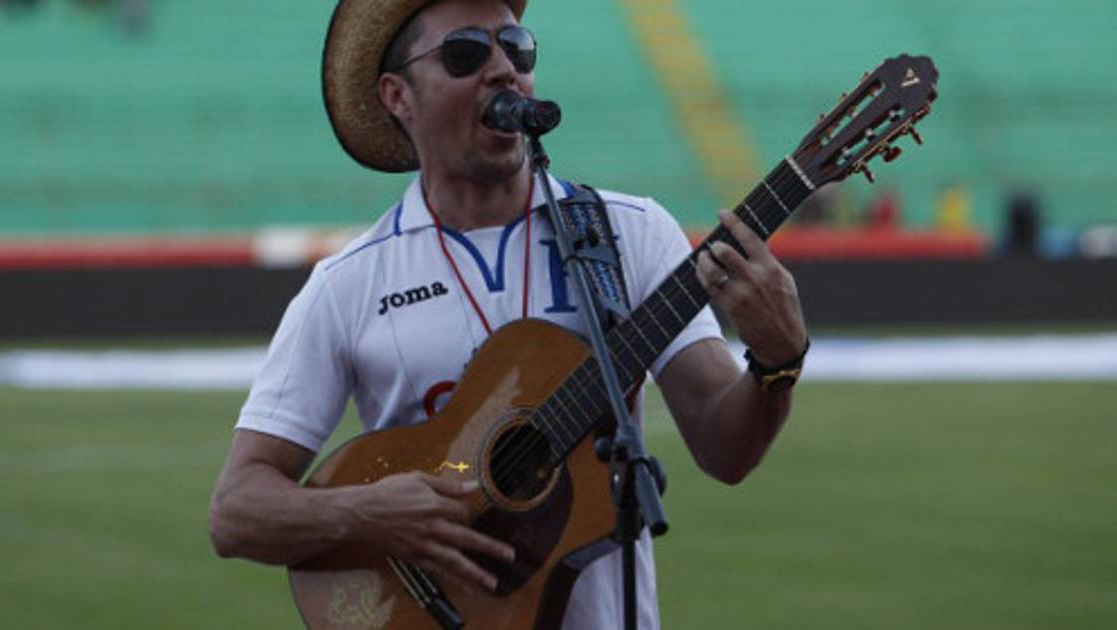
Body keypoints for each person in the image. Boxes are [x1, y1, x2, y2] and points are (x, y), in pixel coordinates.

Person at [207, 0, 809, 627]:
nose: (503, 69)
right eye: (465, 53)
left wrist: (776, 363)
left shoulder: (631, 233)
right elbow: (235, 511)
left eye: (516, 47)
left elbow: (724, 449)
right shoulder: (348, 283)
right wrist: (365, 513)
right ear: (397, 96)